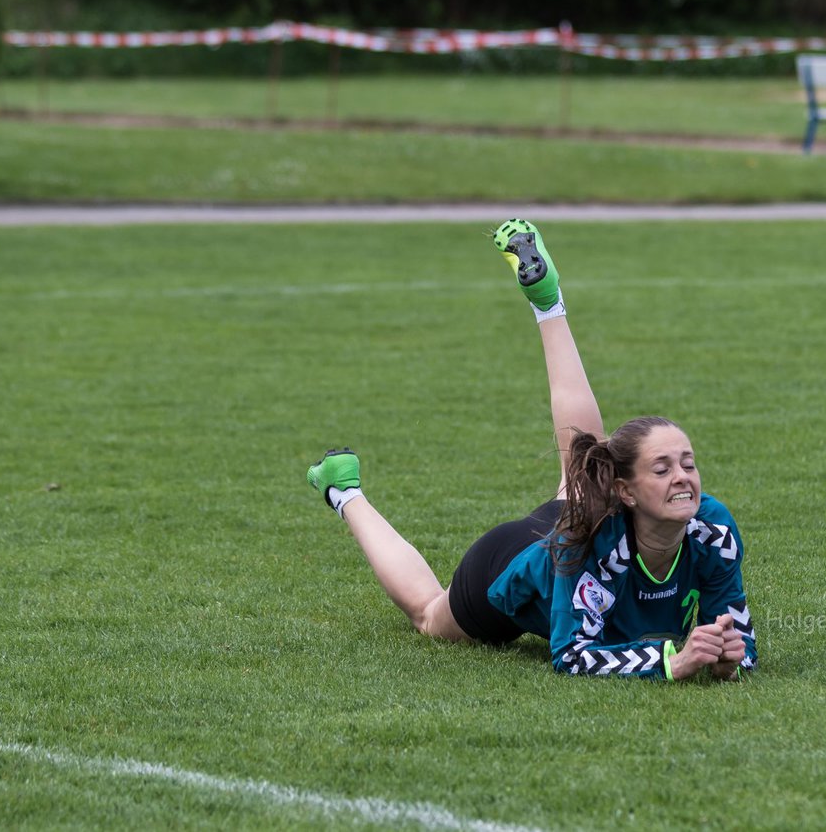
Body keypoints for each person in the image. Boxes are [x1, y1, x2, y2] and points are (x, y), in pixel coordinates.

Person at [307, 219, 756, 680]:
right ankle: (344, 491)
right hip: (509, 565)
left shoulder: (713, 528)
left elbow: (740, 638)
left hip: (575, 517)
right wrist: (671, 662)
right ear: (626, 492)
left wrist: (726, 658)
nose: (683, 476)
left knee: (582, 464)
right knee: (428, 614)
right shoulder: (585, 549)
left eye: (688, 463)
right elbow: (573, 655)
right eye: (661, 469)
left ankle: (549, 303)